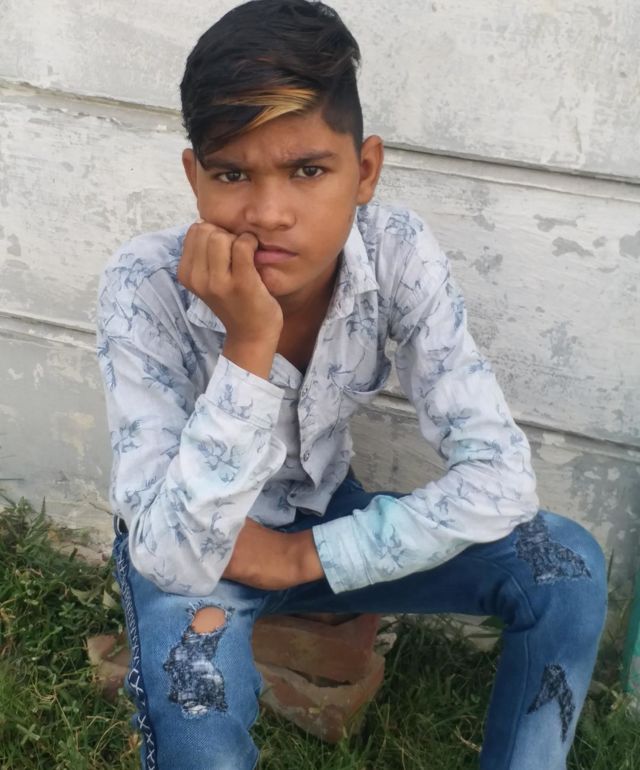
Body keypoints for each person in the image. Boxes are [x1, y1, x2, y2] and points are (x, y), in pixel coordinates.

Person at [95, 1, 607, 767]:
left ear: (364, 170)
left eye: (308, 170)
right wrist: (249, 347)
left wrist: (306, 557)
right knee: (191, 690)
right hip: (200, 540)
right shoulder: (145, 284)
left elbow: (501, 479)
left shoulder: (396, 251)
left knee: (565, 564)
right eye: (232, 173)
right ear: (194, 177)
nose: (270, 213)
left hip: (327, 523)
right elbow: (167, 555)